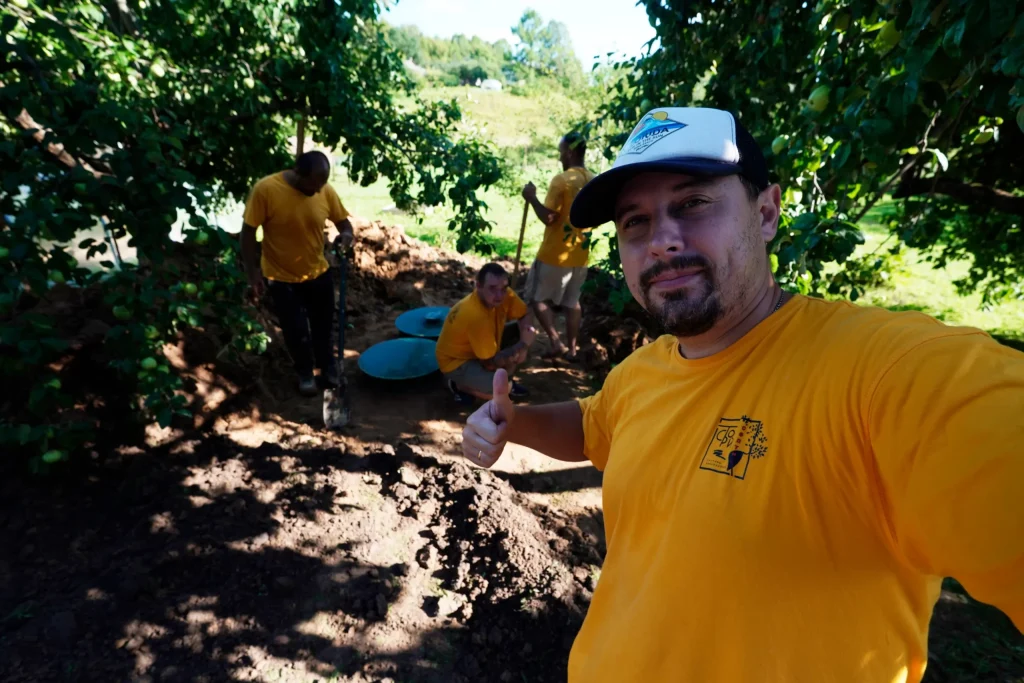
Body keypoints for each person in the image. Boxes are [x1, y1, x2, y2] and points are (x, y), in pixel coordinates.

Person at [461, 107, 1024, 682]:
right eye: (635, 222)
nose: (660, 241)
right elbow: (593, 425)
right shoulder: (646, 370)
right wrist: (517, 423)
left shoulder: (890, 373)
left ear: (767, 213)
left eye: (693, 204)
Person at [241, 150, 354, 396]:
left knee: (323, 327)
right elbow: (248, 233)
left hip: (318, 272)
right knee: (295, 330)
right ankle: (304, 372)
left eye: (322, 183)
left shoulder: (324, 190)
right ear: (298, 174)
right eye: (313, 183)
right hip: (281, 277)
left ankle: (328, 367)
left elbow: (344, 223)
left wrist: (346, 236)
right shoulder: (266, 190)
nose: (317, 189)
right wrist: (253, 274)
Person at [521, 132, 595, 361]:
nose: (560, 156)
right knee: (572, 303)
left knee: (536, 298)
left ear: (570, 152)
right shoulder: (592, 179)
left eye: (561, 151)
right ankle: (572, 350)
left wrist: (531, 197)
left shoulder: (562, 180)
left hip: (554, 254)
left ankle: (556, 342)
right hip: (581, 255)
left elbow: (550, 218)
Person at [435, 263, 537, 405]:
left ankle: (504, 379)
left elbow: (526, 312)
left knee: (520, 336)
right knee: (502, 390)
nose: (499, 295)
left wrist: (527, 330)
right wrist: (523, 345)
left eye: (503, 288)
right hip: (456, 361)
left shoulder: (504, 295)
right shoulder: (476, 315)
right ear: (478, 286)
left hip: (482, 348)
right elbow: (490, 363)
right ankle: (457, 384)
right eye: (492, 289)